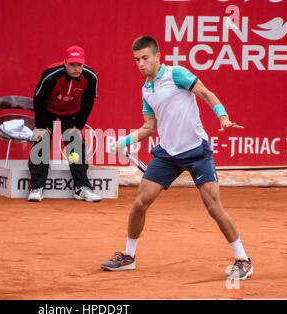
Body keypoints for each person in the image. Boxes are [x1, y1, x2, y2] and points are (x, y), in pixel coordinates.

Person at [101, 35, 253, 280]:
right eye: (136, 60)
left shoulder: (177, 74)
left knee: (213, 206)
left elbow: (205, 93)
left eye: (145, 58)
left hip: (196, 151)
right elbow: (149, 127)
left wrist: (222, 116)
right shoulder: (146, 90)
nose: (140, 64)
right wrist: (123, 141)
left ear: (157, 56)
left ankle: (243, 259)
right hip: (167, 154)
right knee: (141, 201)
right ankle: (129, 256)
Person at [27, 45, 101, 202]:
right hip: (48, 111)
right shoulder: (50, 75)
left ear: (84, 63)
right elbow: (38, 99)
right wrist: (41, 126)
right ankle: (36, 187)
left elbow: (88, 101)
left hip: (72, 113)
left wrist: (79, 125)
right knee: (41, 144)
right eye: (72, 65)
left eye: (79, 65)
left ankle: (82, 188)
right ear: (65, 63)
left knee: (75, 149)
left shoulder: (90, 77)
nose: (76, 68)